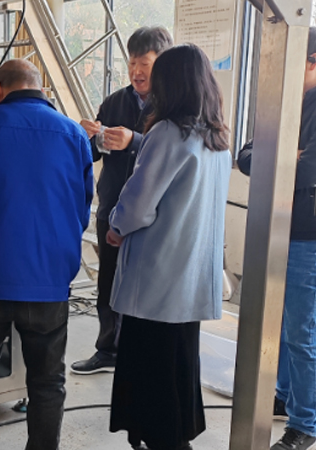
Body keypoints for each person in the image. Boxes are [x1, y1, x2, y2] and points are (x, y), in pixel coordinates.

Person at [0, 59, 94, 450]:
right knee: (47, 382)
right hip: (49, 280)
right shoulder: (73, 134)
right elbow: (82, 208)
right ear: (40, 87)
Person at [105, 44, 232, 450]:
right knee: (179, 364)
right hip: (192, 273)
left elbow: (139, 204)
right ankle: (175, 437)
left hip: (158, 277)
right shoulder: (217, 139)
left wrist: (116, 226)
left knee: (151, 368)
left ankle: (162, 439)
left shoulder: (167, 133)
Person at [71, 26, 173, 375]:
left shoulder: (172, 106)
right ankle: (108, 348)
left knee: (147, 284)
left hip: (153, 213)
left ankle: (141, 353)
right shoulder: (115, 101)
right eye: (131, 63)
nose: (136, 72)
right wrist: (86, 138)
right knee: (109, 281)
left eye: (144, 63)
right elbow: (92, 156)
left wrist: (134, 141)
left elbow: (171, 153)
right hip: (113, 206)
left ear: (163, 63)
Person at [237, 26, 316, 450]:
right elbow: (245, 156)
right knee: (282, 323)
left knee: (302, 332)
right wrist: (288, 156)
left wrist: (282, 159)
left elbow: (308, 172)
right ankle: (285, 397)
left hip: (307, 235)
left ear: (314, 61)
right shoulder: (286, 103)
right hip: (279, 228)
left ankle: (305, 424)